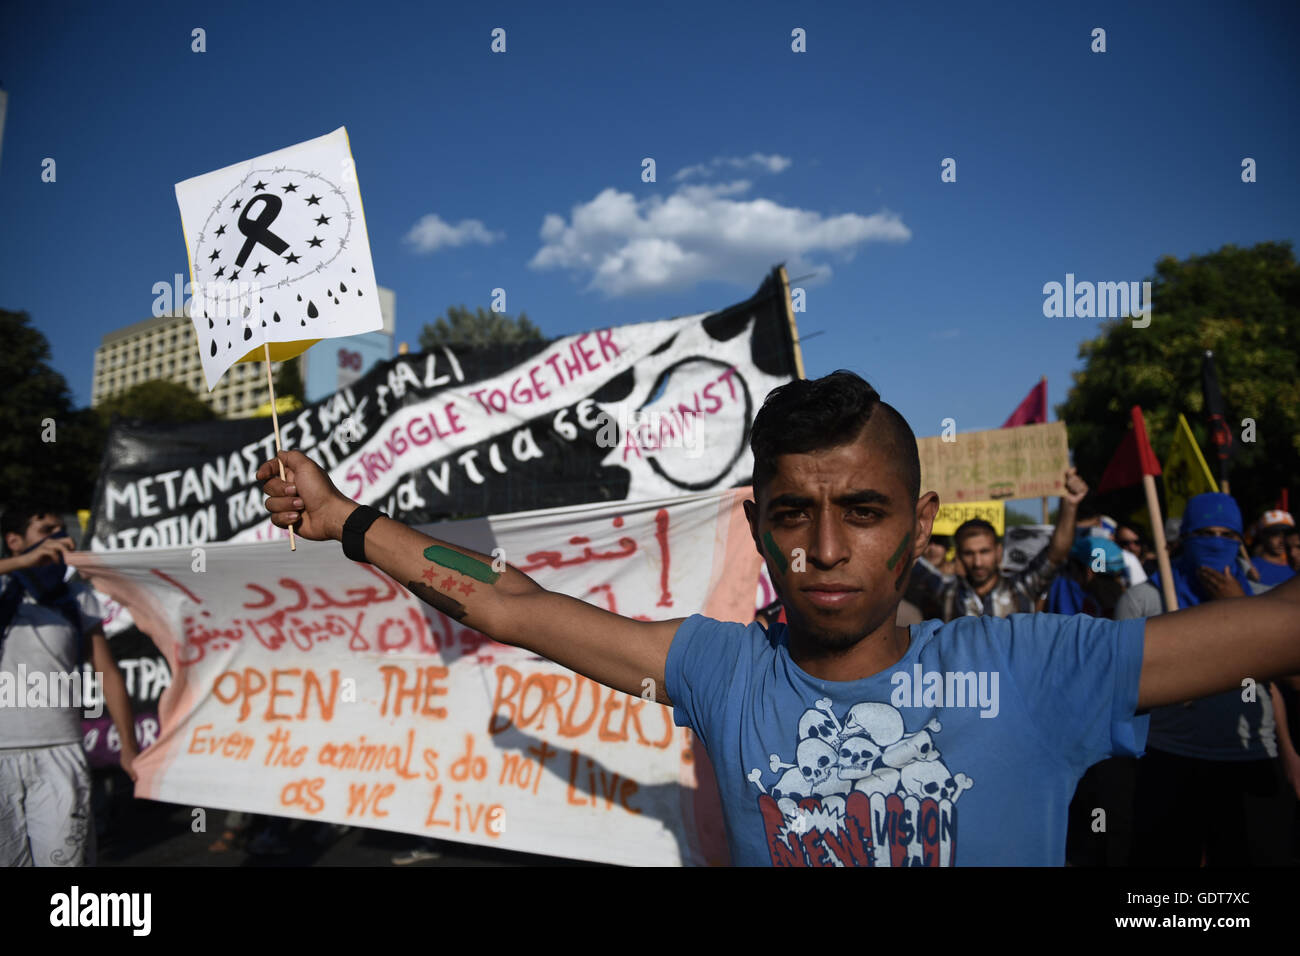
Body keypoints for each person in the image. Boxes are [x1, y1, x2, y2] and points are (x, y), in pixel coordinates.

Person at [257, 370, 1300, 866]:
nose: (828, 548)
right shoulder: (721, 669)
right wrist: (348, 518)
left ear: (922, 521)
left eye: (865, 510)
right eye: (795, 513)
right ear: (758, 530)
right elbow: (507, 602)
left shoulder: (1031, 664)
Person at [1117, 492, 1290, 866]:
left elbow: (1286, 680)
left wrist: (1240, 608)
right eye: (1204, 534)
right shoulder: (1144, 600)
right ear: (1185, 540)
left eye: (1227, 535)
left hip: (1250, 759)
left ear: (1242, 542)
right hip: (1168, 759)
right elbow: (1117, 687)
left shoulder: (1268, 600)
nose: (1216, 544)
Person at [1, 504, 139, 866]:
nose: (58, 539)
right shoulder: (4, 587)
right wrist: (17, 568)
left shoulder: (77, 598)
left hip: (60, 750)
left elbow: (106, 671)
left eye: (62, 530)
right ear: (14, 541)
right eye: (45, 530)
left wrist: (129, 746)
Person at [904, 471, 1086, 622]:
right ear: (958, 555)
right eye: (969, 553)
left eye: (984, 552)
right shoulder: (948, 592)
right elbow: (908, 556)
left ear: (999, 552)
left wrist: (1070, 505)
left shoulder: (1022, 588)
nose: (977, 562)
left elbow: (1056, 555)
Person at [1251, 510, 1297, 586]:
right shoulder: (1249, 568)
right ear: (1263, 536)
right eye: (1276, 535)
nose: (1282, 541)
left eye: (1287, 535)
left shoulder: (1296, 566)